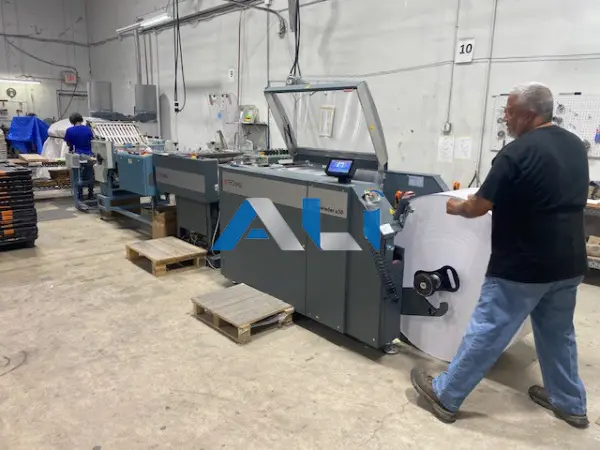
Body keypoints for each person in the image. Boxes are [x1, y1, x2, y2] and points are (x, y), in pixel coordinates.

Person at [411, 83, 590, 428]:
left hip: (523, 266)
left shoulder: (515, 153)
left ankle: (446, 395)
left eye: (509, 111)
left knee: (487, 330)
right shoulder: (574, 146)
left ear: (529, 114)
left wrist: (454, 206)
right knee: (558, 334)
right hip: (568, 262)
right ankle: (569, 403)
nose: (504, 117)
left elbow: (478, 207)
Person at [64, 113, 95, 201]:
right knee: (90, 175)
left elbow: (69, 144)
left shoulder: (70, 130)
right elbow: (92, 141)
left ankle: (80, 196)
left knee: (78, 176)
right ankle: (90, 194)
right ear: (81, 119)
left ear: (71, 121)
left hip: (77, 156)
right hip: (89, 155)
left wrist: (71, 147)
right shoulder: (88, 129)